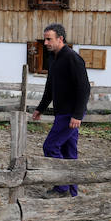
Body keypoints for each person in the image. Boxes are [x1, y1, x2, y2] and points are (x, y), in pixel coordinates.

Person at [32, 23, 91, 197]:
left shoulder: (72, 58)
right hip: (62, 113)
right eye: (45, 39)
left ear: (60, 39)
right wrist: (41, 108)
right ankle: (73, 192)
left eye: (49, 39)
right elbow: (50, 87)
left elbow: (84, 88)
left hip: (70, 114)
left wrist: (78, 114)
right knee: (69, 152)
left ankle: (62, 187)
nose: (45, 42)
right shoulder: (53, 58)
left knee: (50, 146)